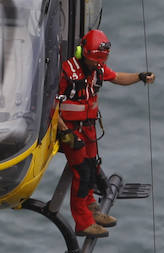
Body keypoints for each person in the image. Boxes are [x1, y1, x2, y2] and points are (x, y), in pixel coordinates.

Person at [56, 28, 154, 238]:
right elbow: (50, 106)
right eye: (94, 61)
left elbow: (117, 77)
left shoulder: (98, 68)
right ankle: (82, 223)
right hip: (72, 130)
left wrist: (139, 77)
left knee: (93, 166)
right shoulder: (67, 72)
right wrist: (65, 132)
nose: (97, 65)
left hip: (89, 127)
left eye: (101, 61)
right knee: (82, 173)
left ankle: (91, 207)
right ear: (83, 53)